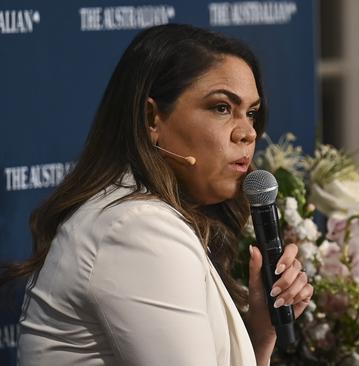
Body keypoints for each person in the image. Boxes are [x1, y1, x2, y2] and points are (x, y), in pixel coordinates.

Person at [0, 24, 313, 365]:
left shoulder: (138, 216)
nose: (248, 132)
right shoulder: (136, 230)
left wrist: (259, 336)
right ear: (152, 118)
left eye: (251, 113)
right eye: (222, 108)